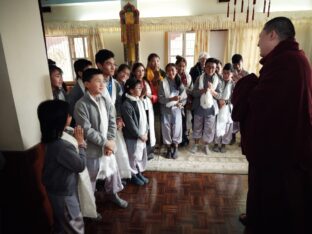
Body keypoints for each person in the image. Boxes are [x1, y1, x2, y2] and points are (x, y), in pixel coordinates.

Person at [232, 17, 312, 234]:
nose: (258, 43)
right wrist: (250, 81)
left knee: (275, 201)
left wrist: (245, 82)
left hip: (279, 152)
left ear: (273, 35)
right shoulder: (293, 59)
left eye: (260, 37)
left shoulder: (287, 62)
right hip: (282, 146)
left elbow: (258, 104)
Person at [74, 68, 128, 208]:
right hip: (93, 150)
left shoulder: (106, 100)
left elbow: (112, 122)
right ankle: (90, 207)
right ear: (86, 84)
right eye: (98, 81)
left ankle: (113, 195)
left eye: (103, 81)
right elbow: (86, 130)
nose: (102, 84)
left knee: (112, 173)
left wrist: (110, 142)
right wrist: (106, 143)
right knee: (90, 180)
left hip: (107, 147)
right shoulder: (81, 104)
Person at [37, 100, 86, 234]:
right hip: (64, 194)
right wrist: (81, 144)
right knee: (75, 227)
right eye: (68, 114)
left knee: (61, 223)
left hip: (55, 190)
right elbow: (80, 165)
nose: (70, 116)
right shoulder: (61, 146)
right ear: (59, 120)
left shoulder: (49, 137)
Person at [190, 58, 223, 155]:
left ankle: (206, 146)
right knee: (197, 126)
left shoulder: (218, 80)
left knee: (209, 128)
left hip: (211, 109)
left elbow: (220, 96)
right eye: (208, 67)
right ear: (204, 67)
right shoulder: (199, 78)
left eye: (213, 67)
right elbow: (194, 93)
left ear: (216, 68)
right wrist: (204, 90)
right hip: (198, 107)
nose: (210, 69)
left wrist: (212, 91)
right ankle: (196, 145)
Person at [121, 78, 149, 185]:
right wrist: (139, 135)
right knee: (132, 156)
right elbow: (130, 123)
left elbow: (144, 118)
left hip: (142, 135)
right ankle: (132, 175)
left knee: (139, 155)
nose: (141, 89)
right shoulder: (127, 104)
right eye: (138, 87)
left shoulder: (139, 100)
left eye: (141, 87)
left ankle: (138, 172)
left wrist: (146, 131)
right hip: (133, 136)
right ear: (131, 90)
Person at [158, 63, 186, 159]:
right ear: (166, 72)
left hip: (177, 109)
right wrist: (171, 99)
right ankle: (169, 148)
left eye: (172, 70)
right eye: (168, 70)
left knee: (177, 128)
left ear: (176, 71)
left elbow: (184, 97)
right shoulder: (162, 82)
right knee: (166, 129)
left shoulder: (179, 82)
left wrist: (181, 103)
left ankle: (176, 147)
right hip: (166, 109)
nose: (171, 72)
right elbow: (160, 99)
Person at [131, 62, 156, 160]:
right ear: (134, 72)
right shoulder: (132, 82)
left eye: (142, 70)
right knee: (141, 129)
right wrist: (141, 96)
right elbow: (130, 97)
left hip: (148, 108)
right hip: (138, 108)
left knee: (149, 129)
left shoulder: (147, 82)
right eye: (138, 71)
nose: (141, 73)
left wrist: (149, 96)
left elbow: (154, 96)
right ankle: (141, 152)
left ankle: (149, 150)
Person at [212, 63, 235, 153]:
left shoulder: (233, 84)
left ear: (232, 74)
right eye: (224, 73)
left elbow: (234, 97)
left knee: (227, 126)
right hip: (218, 106)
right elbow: (214, 93)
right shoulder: (218, 82)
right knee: (217, 125)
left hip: (228, 107)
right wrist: (218, 102)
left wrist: (225, 102)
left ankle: (224, 144)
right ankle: (216, 143)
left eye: (228, 73)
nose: (225, 75)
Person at [68, 59, 93, 127]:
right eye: (88, 70)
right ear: (80, 73)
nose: (91, 73)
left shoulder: (90, 85)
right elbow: (72, 113)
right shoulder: (74, 92)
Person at [175, 55, 193, 147]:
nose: (181, 68)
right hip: (175, 102)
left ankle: (184, 138)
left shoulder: (188, 76)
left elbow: (191, 89)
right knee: (177, 121)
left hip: (185, 101)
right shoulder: (173, 74)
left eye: (183, 66)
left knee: (185, 120)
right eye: (180, 66)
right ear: (176, 65)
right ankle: (177, 139)